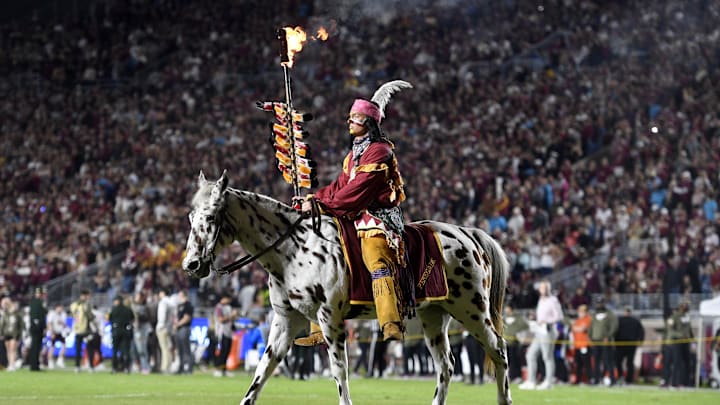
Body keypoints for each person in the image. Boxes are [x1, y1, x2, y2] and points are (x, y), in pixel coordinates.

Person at [295, 80, 412, 346]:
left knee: (376, 259)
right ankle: (320, 329)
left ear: (368, 122)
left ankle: (391, 321)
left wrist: (325, 205)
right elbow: (340, 185)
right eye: (349, 117)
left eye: (354, 118)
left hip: (377, 218)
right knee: (322, 255)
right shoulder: (352, 155)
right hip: (351, 214)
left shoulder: (380, 151)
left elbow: (359, 189)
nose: (348, 122)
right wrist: (314, 198)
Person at [519, 280, 564, 390]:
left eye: (544, 288)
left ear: (548, 289)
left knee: (547, 357)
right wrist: (535, 318)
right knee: (530, 355)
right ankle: (531, 381)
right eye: (541, 288)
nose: (542, 289)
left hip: (548, 331)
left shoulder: (553, 300)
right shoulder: (541, 300)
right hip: (539, 331)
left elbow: (559, 316)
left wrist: (546, 321)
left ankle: (548, 382)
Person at [589, 296, 618, 385]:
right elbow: (591, 326)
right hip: (595, 341)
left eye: (601, 303)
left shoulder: (609, 314)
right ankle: (597, 379)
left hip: (605, 341)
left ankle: (612, 379)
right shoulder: (594, 314)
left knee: (608, 361)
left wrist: (608, 336)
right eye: (598, 303)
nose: (599, 304)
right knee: (596, 362)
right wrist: (590, 336)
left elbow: (614, 326)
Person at [615, 307, 644, 384]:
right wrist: (640, 341)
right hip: (629, 344)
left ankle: (622, 377)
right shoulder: (635, 321)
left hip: (622, 344)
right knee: (628, 363)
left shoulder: (620, 320)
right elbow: (641, 332)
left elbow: (615, 331)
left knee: (621, 362)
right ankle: (628, 379)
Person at [666, 302, 692, 387]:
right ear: (680, 307)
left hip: (686, 342)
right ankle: (674, 382)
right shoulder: (674, 316)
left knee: (687, 362)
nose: (686, 307)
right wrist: (680, 335)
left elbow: (689, 329)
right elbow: (670, 329)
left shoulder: (687, 317)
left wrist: (691, 339)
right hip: (676, 342)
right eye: (684, 306)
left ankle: (686, 382)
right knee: (677, 362)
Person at [70, 289, 95, 372]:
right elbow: (90, 317)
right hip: (84, 329)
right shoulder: (83, 305)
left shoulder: (75, 305)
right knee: (87, 348)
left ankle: (80, 366)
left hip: (80, 329)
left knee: (81, 349)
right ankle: (88, 366)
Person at [503, 304, 529, 383]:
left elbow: (525, 325)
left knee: (515, 360)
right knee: (508, 361)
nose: (506, 310)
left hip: (515, 342)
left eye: (507, 309)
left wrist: (516, 332)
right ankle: (510, 376)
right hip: (506, 343)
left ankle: (517, 376)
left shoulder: (518, 318)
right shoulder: (504, 318)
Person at [109, 295, 134, 373]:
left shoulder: (114, 309)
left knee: (115, 350)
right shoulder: (128, 309)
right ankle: (126, 367)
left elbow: (110, 319)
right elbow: (132, 318)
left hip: (116, 331)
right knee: (126, 350)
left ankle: (114, 368)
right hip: (125, 331)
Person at [213, 292, 237, 377]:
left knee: (227, 351)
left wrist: (234, 317)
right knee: (222, 351)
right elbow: (221, 320)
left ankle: (224, 369)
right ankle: (218, 369)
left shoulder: (228, 307)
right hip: (221, 332)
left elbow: (231, 320)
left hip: (229, 332)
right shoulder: (219, 307)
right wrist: (231, 315)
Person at [131, 291, 151, 374]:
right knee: (135, 349)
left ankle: (145, 366)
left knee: (142, 349)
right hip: (135, 329)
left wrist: (138, 317)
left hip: (142, 329)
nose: (136, 298)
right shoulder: (133, 306)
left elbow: (148, 317)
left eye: (138, 297)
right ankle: (137, 365)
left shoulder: (145, 307)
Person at [174, 290, 194, 374]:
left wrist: (177, 324)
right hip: (179, 329)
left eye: (180, 295)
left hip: (184, 328)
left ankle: (189, 368)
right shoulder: (180, 305)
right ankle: (181, 367)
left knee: (186, 349)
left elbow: (187, 318)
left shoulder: (188, 305)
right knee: (180, 350)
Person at [571, 304, 592, 384]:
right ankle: (578, 379)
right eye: (580, 311)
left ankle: (589, 379)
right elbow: (573, 329)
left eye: (583, 311)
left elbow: (583, 329)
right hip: (577, 345)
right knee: (578, 364)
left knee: (587, 364)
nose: (581, 313)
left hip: (585, 345)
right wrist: (578, 328)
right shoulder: (578, 320)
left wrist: (577, 328)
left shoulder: (588, 319)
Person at [28, 287, 48, 371]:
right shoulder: (39, 302)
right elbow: (42, 314)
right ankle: (34, 365)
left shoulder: (33, 302)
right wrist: (43, 327)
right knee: (36, 346)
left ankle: (34, 364)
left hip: (36, 326)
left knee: (35, 346)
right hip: (37, 327)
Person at [155, 288, 174, 374]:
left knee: (164, 348)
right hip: (169, 328)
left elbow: (162, 316)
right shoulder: (171, 303)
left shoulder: (163, 302)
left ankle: (165, 367)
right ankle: (169, 366)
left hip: (163, 328)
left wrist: (160, 326)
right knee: (168, 347)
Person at [2, 298, 24, 371]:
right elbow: (3, 324)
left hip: (14, 334)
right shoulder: (5, 313)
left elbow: (20, 324)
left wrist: (20, 334)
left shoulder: (16, 313)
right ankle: (10, 364)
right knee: (8, 350)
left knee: (12, 349)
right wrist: (1, 333)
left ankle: (13, 365)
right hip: (6, 333)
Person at [47, 304, 69, 369]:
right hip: (54, 332)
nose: (61, 309)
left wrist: (63, 323)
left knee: (64, 345)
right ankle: (50, 362)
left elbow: (64, 324)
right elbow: (49, 323)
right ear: (56, 308)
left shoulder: (63, 314)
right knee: (52, 347)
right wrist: (52, 332)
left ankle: (60, 360)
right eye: (60, 308)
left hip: (61, 332)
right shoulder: (52, 314)